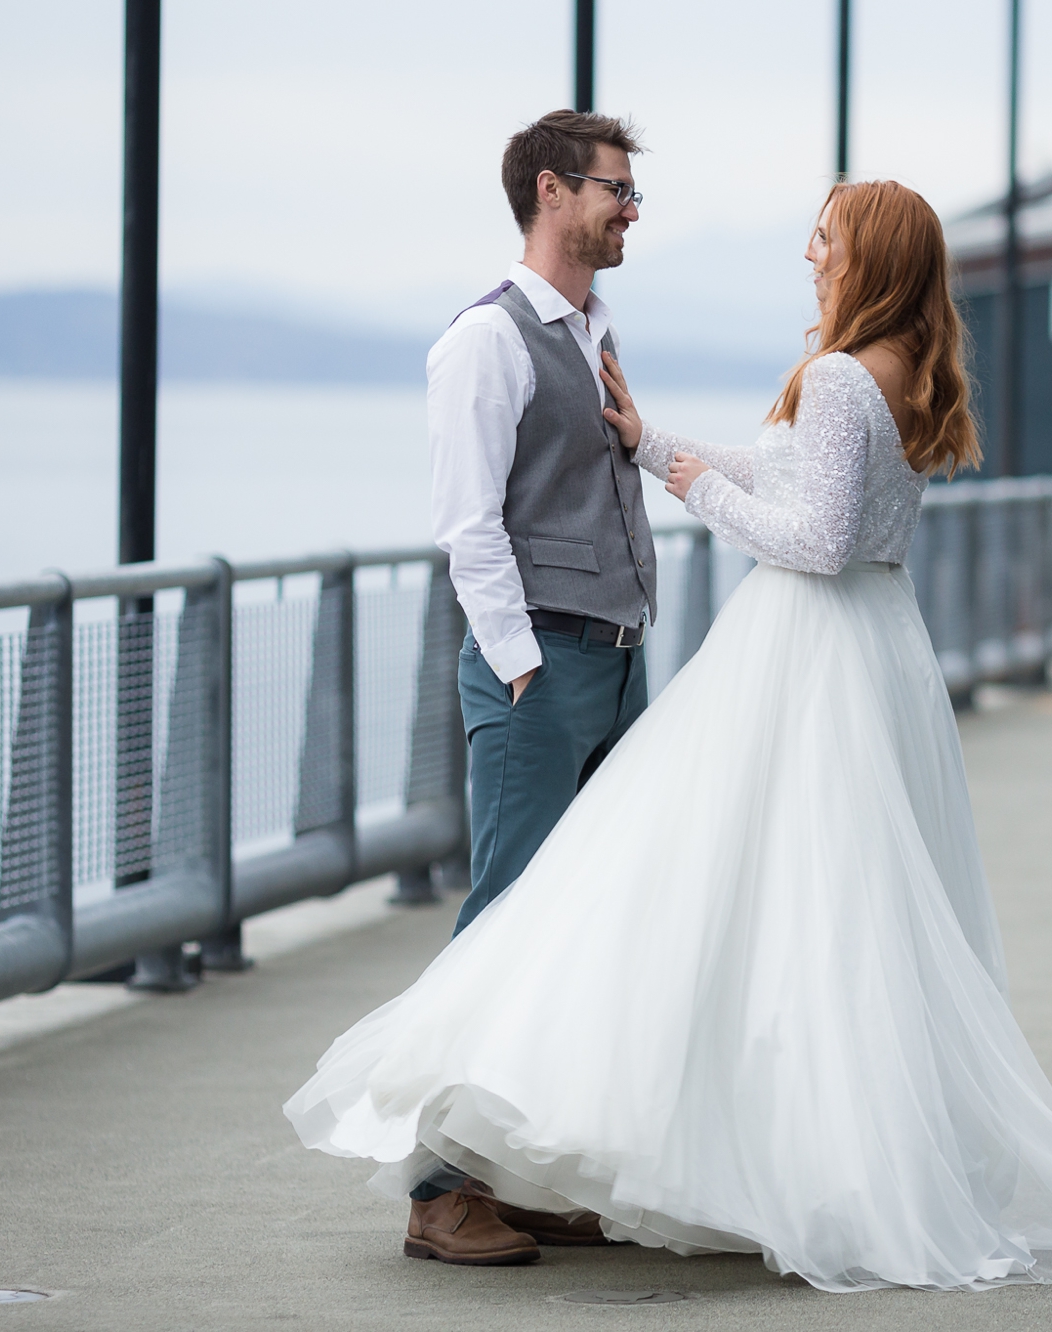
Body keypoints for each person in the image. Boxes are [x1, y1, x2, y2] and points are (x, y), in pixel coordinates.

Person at [286, 178, 1052, 1292]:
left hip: (806, 648)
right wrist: (651, 443)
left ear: (862, 255)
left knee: (727, 901)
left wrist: (681, 482)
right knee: (840, 918)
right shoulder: (909, 373)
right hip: (879, 647)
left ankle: (509, 1160)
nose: (809, 256)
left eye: (822, 239)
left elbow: (810, 538)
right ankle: (819, 1164)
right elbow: (795, 481)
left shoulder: (832, 375)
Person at [396, 109, 656, 1260]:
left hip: (611, 662)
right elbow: (466, 526)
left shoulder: (592, 331)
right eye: (615, 190)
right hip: (538, 672)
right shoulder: (486, 340)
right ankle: (439, 1188)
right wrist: (519, 666)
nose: (629, 210)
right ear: (551, 192)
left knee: (586, 928)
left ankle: (522, 1168)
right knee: (502, 922)